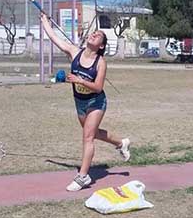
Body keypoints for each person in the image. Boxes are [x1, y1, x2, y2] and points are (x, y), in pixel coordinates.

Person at [40, 13, 131, 191]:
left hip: (96, 102)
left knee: (88, 137)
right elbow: (54, 38)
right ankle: (121, 143)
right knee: (93, 133)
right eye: (93, 32)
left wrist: (79, 80)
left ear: (101, 45)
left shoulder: (100, 63)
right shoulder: (74, 52)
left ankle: (83, 177)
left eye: (98, 35)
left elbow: (97, 87)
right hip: (80, 102)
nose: (94, 34)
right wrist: (44, 21)